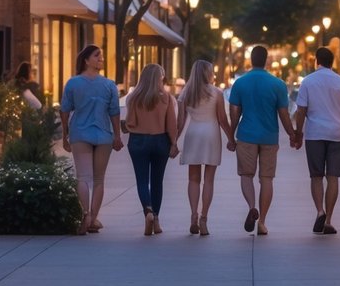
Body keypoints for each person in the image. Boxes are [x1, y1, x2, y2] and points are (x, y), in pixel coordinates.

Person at [228, 44, 293, 236]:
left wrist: (231, 136)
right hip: (269, 137)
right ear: (266, 60)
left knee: (246, 176)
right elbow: (284, 114)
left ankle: (251, 207)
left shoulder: (240, 84)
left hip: (246, 135)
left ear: (251, 59)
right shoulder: (277, 84)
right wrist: (292, 134)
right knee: (267, 179)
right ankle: (262, 221)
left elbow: (235, 113)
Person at [292, 46, 340, 235]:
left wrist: (298, 133)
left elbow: (301, 110)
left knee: (316, 176)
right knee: (333, 178)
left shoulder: (308, 82)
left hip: (314, 134)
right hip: (337, 135)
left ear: (316, 61)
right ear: (332, 62)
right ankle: (328, 220)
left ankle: (319, 211)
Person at [60, 44, 123, 235]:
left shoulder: (72, 83)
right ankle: (93, 218)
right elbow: (114, 113)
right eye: (97, 56)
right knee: (98, 179)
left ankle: (85, 215)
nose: (101, 59)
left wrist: (65, 134)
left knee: (83, 177)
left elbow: (65, 110)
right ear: (86, 60)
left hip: (80, 133)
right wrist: (117, 135)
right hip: (103, 134)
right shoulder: (109, 85)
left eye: (101, 56)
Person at [176, 60, 231, 236]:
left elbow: (181, 121)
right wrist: (232, 139)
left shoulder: (186, 93)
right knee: (209, 180)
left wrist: (174, 141)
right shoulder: (216, 93)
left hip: (193, 134)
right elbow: (222, 119)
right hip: (211, 134)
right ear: (208, 73)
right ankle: (204, 218)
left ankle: (193, 215)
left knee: (193, 179)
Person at [125, 63, 179, 236]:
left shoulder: (133, 98)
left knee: (142, 180)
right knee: (157, 181)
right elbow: (171, 124)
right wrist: (174, 143)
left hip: (138, 140)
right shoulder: (166, 98)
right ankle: (156, 220)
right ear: (158, 78)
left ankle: (147, 210)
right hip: (160, 140)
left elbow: (130, 123)